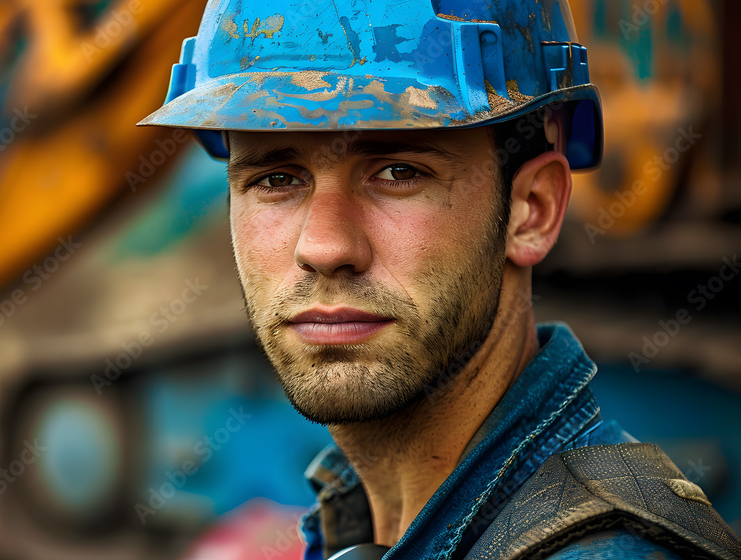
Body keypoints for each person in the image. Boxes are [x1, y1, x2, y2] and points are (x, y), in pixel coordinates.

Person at [140, 1, 741, 558]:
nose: (324, 247)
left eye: (398, 172)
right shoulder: (363, 524)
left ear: (531, 209)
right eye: (276, 179)